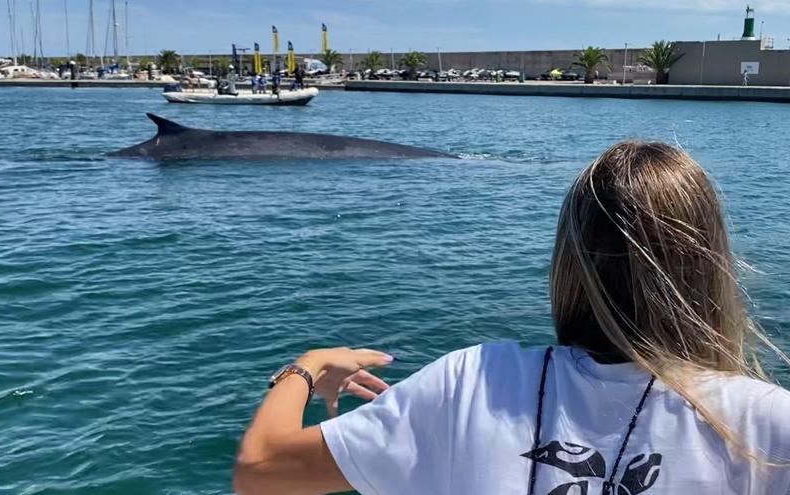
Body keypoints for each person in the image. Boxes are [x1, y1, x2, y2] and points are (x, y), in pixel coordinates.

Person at [233, 141, 790, 495]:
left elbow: (259, 469)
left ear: (569, 261)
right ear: (711, 263)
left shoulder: (470, 381)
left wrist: (304, 369)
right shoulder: (767, 425)